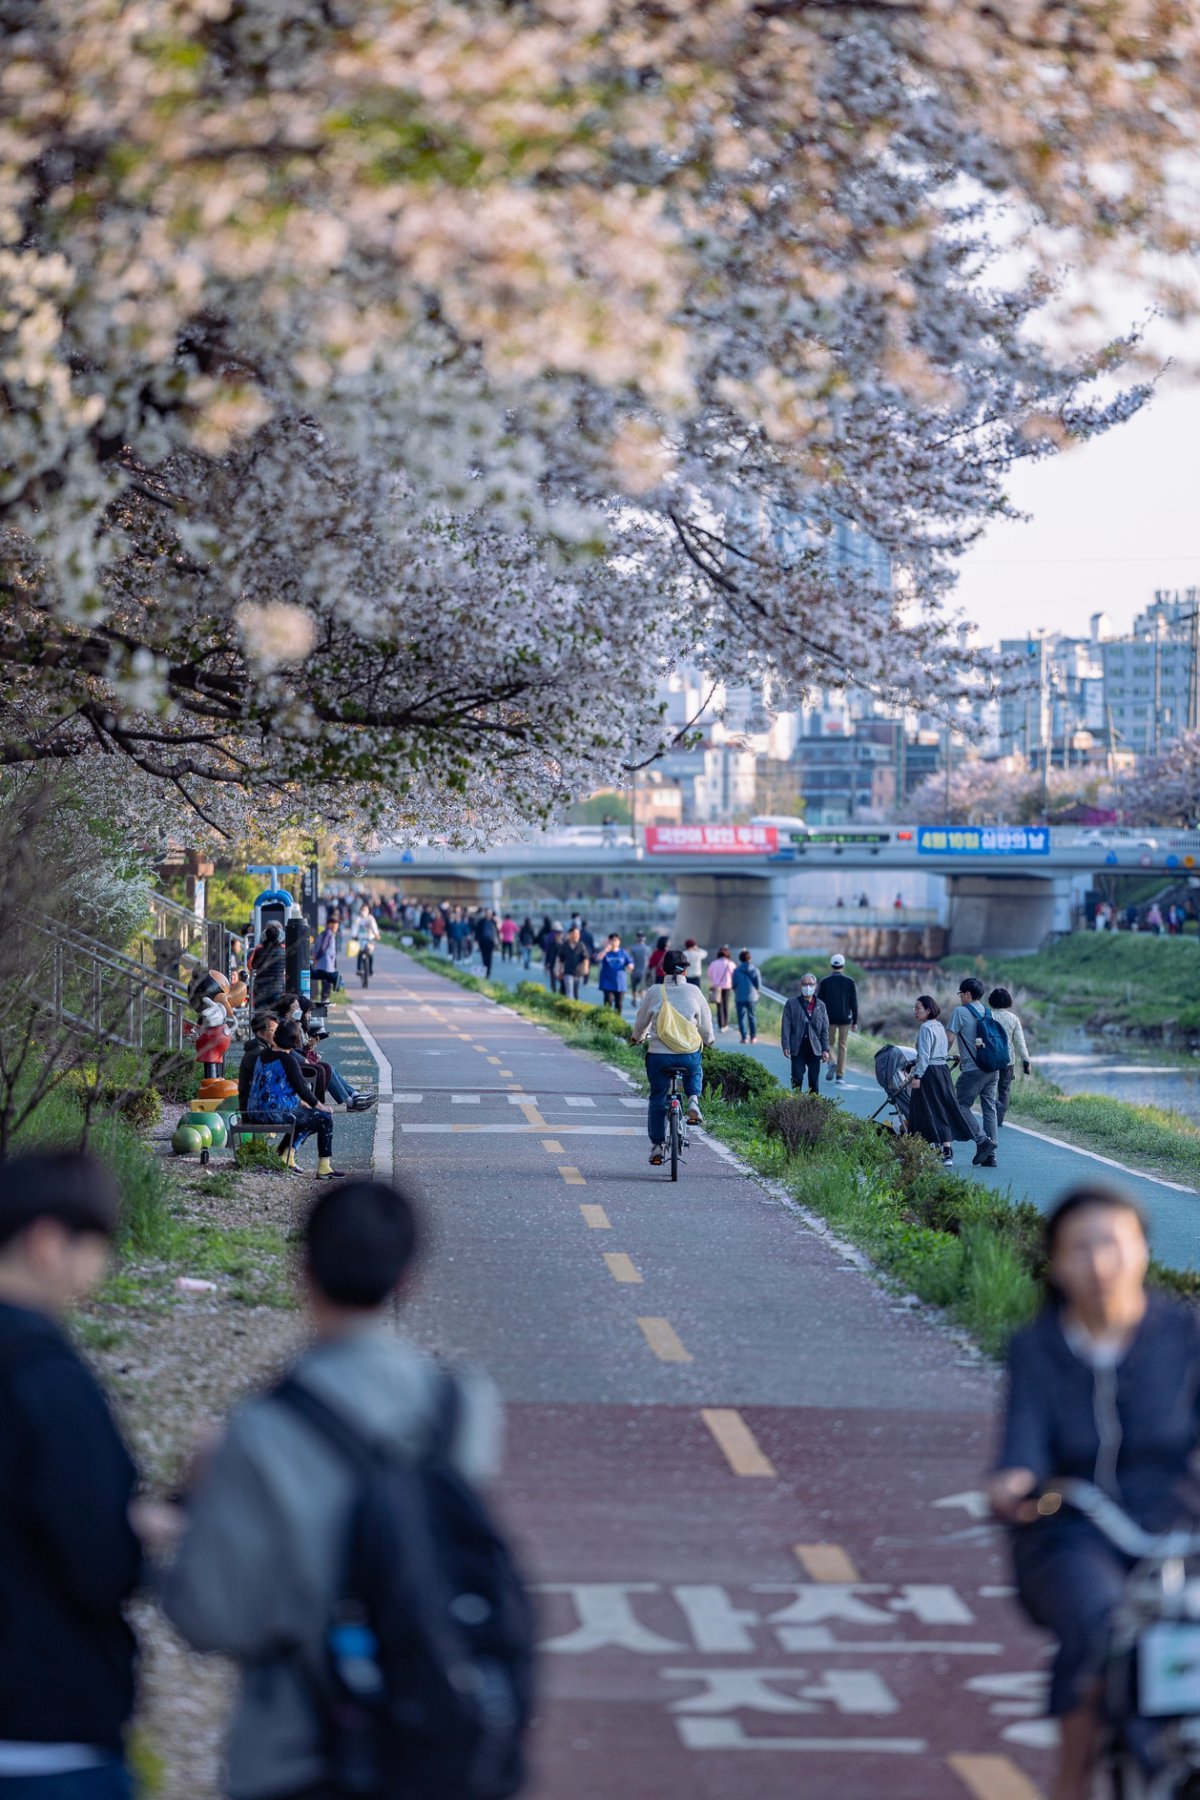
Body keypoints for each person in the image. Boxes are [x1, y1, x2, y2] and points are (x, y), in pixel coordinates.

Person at [161, 1179, 507, 1800]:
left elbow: (209, 1619)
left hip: (301, 1752)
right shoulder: (466, 1405)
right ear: (410, 1280)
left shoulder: (261, 1430)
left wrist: (190, 1500)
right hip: (437, 1738)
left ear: (304, 1273)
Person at [988, 1184, 1200, 1800]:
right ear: (1056, 1263)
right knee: (1099, 1628)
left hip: (1178, 1530)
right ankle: (1071, 1782)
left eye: (1113, 1244)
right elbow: (1022, 1445)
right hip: (1072, 1533)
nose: (1100, 1263)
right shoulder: (1037, 1349)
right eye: (1081, 1249)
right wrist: (1014, 1485)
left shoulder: (1186, 1336)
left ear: (1142, 1252)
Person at [0, 1151, 142, 1800]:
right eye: (95, 1250)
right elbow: (102, 1562)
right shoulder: (48, 1378)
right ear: (48, 1241)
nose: (96, 1274)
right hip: (44, 1731)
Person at [631, 948, 716, 1164]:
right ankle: (694, 1101)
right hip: (687, 1055)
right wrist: (709, 1040)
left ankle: (658, 1146)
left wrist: (637, 1037)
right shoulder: (694, 991)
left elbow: (641, 1023)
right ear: (686, 970)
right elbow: (706, 1025)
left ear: (663, 970)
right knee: (695, 1067)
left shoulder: (654, 991)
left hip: (659, 1056)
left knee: (658, 1096)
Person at [246, 1019, 345, 1177]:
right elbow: (302, 1088)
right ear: (295, 1040)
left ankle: (287, 1156)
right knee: (323, 1118)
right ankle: (324, 1167)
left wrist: (301, 1103)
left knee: (305, 1116)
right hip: (275, 1111)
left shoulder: (263, 1055)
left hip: (254, 1110)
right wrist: (321, 1106)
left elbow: (272, 1087)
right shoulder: (288, 1060)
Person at [907, 996, 974, 1164]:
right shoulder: (940, 1027)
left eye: (918, 1008)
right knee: (942, 1108)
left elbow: (924, 1056)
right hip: (942, 1070)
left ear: (928, 1010)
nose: (915, 1011)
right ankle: (947, 1149)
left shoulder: (925, 1028)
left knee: (921, 1109)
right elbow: (942, 1052)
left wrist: (917, 1076)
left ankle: (919, 1148)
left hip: (929, 1071)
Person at [947, 977, 999, 1167]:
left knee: (960, 1105)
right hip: (992, 1069)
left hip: (973, 1071)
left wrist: (936, 1057)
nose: (960, 997)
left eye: (960, 993)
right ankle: (991, 1156)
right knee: (989, 1109)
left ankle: (982, 1141)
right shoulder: (988, 1013)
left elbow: (949, 1040)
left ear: (968, 994)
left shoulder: (959, 1012)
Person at [987, 986, 1032, 1128]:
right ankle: (999, 1117)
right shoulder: (1014, 1019)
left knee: (988, 1088)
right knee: (1004, 1089)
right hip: (1008, 1061)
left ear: (991, 1001)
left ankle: (991, 1112)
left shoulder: (987, 1016)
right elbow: (1019, 1042)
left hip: (989, 1059)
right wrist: (1026, 1060)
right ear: (1008, 1001)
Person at [780, 973, 830, 1092]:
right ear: (800, 985)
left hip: (815, 1048)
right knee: (797, 1078)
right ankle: (797, 1105)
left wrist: (825, 1049)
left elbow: (824, 1029)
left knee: (814, 1080)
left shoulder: (821, 1005)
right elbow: (785, 1025)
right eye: (805, 984)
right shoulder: (791, 1004)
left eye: (810, 984)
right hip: (798, 1047)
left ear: (815, 986)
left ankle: (813, 1107)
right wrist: (786, 1045)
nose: (808, 987)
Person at [817, 952, 858, 1085]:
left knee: (828, 1043)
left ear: (831, 965)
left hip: (828, 1018)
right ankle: (840, 1076)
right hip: (845, 1018)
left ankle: (832, 1061)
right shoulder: (850, 982)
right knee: (843, 1045)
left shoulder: (824, 982)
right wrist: (855, 1021)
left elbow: (819, 1002)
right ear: (843, 965)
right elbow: (854, 1003)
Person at [248, 921, 287, 1009]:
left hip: (260, 989)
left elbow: (253, 966)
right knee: (277, 1016)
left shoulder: (259, 951)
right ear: (279, 937)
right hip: (278, 989)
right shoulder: (283, 952)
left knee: (260, 1017)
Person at [597, 934, 635, 1012]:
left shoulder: (623, 953)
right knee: (608, 1003)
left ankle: (617, 1020)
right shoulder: (606, 952)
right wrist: (605, 950)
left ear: (619, 942)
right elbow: (598, 958)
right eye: (613, 940)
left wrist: (630, 966)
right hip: (607, 982)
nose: (614, 942)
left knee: (619, 1004)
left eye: (616, 940)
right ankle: (607, 1020)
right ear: (609, 941)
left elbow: (630, 962)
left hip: (619, 983)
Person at [732, 948, 760, 1043]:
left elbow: (734, 984)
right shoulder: (755, 969)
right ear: (749, 958)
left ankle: (744, 1037)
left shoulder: (736, 970)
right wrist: (756, 991)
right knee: (752, 1016)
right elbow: (758, 984)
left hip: (740, 996)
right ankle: (754, 1037)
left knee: (741, 1017)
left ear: (740, 959)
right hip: (752, 996)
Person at [555, 925, 590, 1000]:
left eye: (578, 934)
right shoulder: (564, 946)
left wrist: (586, 968)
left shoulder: (581, 945)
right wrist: (559, 971)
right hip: (567, 972)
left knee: (575, 992)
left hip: (578, 972)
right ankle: (569, 1006)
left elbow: (586, 957)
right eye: (575, 934)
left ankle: (575, 1007)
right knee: (569, 992)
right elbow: (561, 960)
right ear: (570, 935)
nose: (577, 936)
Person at [311, 916, 339, 1004]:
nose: (336, 928)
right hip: (326, 962)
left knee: (325, 980)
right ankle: (325, 999)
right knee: (327, 980)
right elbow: (323, 947)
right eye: (334, 926)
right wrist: (316, 958)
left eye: (337, 926)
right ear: (329, 925)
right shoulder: (328, 934)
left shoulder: (324, 933)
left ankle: (324, 998)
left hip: (325, 962)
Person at [706, 946, 735, 1031]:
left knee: (719, 1006)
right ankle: (725, 1025)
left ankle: (720, 1025)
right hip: (727, 986)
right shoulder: (731, 964)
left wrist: (715, 980)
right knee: (726, 1005)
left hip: (716, 987)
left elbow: (709, 973)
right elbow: (734, 975)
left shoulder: (714, 963)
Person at [350, 902, 379, 980]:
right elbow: (354, 927)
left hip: (370, 938)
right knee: (360, 953)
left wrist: (376, 934)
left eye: (365, 910)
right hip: (360, 938)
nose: (364, 911)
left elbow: (374, 926)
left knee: (370, 955)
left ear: (368, 910)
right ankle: (359, 969)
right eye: (362, 910)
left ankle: (370, 970)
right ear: (360, 910)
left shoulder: (370, 918)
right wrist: (354, 935)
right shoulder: (358, 918)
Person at [475, 910, 499, 980]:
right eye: (487, 913)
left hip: (490, 941)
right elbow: (477, 932)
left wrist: (497, 940)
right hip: (482, 941)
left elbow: (496, 931)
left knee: (489, 957)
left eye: (489, 914)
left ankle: (488, 972)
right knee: (484, 957)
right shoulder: (481, 922)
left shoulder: (493, 922)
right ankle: (484, 970)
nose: (488, 915)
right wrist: (477, 941)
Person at [628, 930, 650, 998]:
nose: (640, 938)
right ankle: (635, 999)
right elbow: (630, 960)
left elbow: (649, 960)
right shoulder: (633, 948)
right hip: (635, 971)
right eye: (639, 936)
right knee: (635, 987)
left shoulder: (648, 948)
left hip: (643, 971)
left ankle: (641, 1001)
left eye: (642, 936)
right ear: (636, 938)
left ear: (645, 938)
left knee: (642, 988)